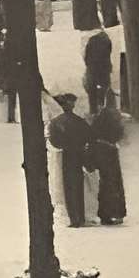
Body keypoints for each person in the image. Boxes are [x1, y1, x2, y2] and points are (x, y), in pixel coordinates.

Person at [47, 92, 94, 229]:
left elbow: (54, 141)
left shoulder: (56, 122)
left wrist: (64, 145)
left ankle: (74, 218)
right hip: (79, 154)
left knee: (68, 186)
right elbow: (89, 137)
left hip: (66, 156)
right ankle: (80, 217)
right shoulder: (80, 121)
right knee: (78, 185)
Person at [89, 101, 127, 225]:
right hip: (110, 152)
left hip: (100, 151)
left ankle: (105, 213)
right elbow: (119, 134)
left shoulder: (98, 120)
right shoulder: (114, 119)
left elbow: (91, 134)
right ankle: (115, 212)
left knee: (104, 183)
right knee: (114, 183)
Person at [82, 27, 114, 116]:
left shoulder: (91, 40)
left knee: (92, 90)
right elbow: (108, 54)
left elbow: (86, 56)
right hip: (103, 69)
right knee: (103, 88)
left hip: (92, 68)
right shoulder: (107, 40)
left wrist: (88, 66)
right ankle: (101, 107)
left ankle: (93, 110)